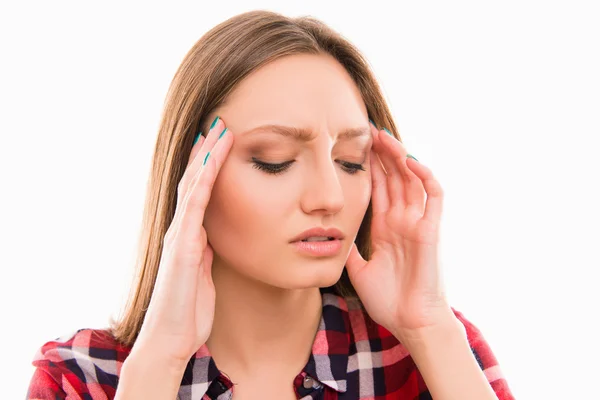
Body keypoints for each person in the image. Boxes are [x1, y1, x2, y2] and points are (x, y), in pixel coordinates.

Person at [26, 10, 515, 400]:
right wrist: (160, 361)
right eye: (274, 162)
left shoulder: (431, 354)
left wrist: (429, 329)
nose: (329, 198)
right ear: (191, 174)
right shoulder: (82, 381)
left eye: (350, 161)